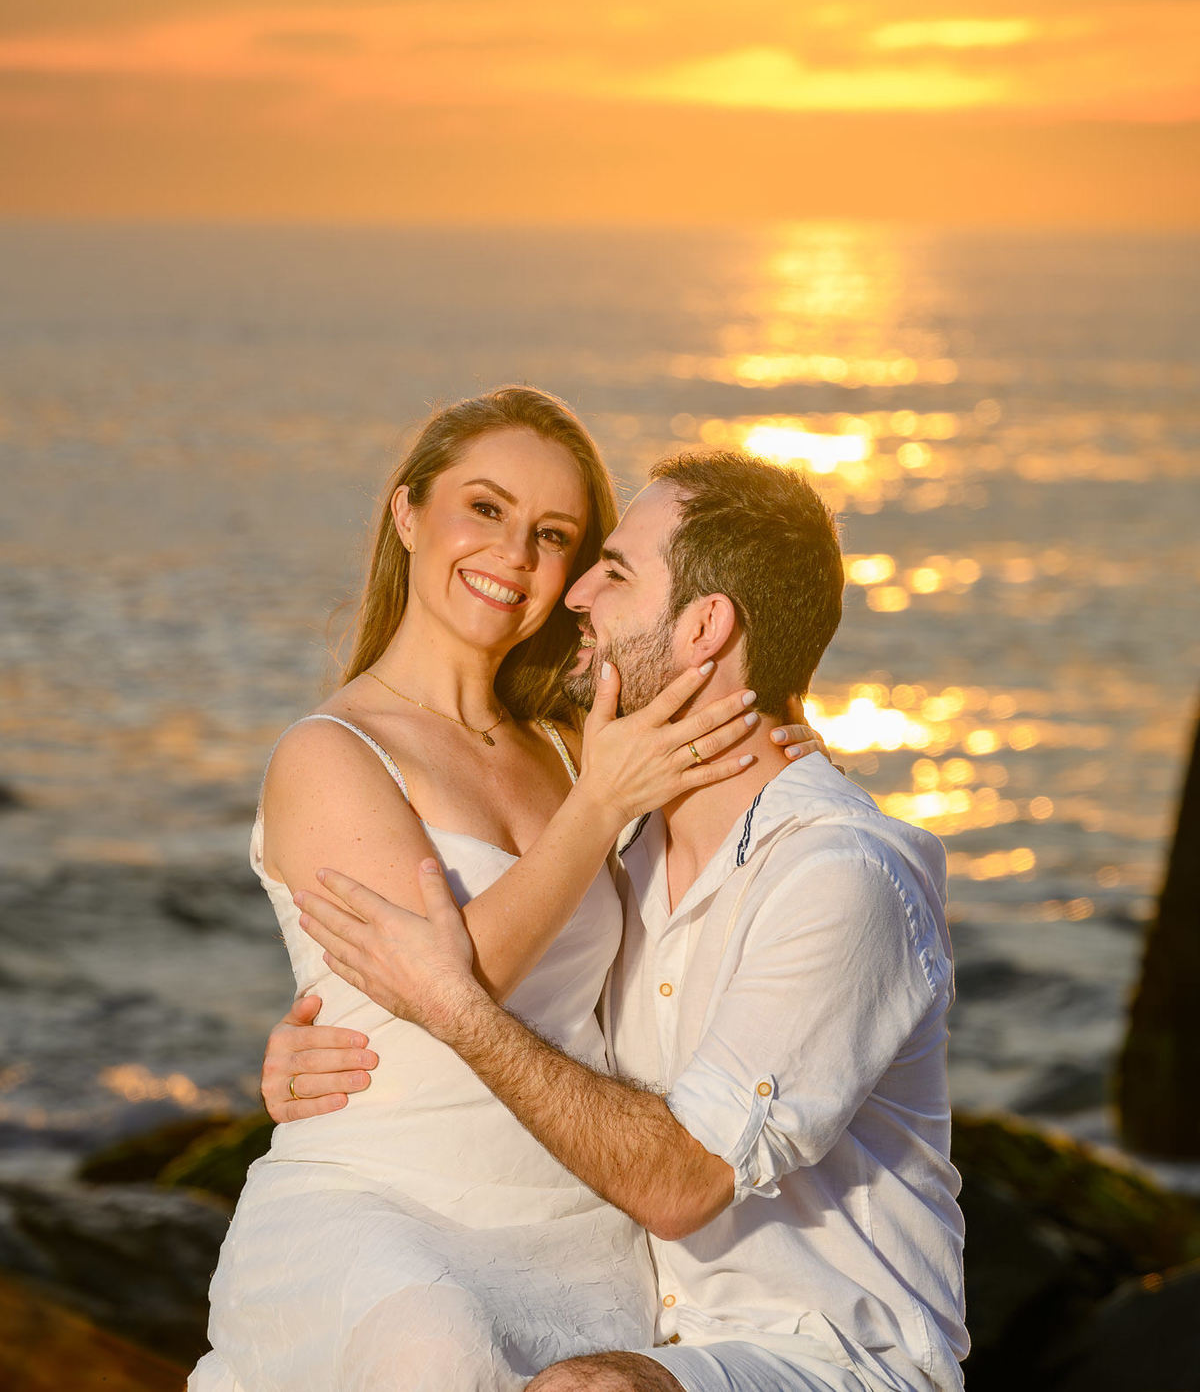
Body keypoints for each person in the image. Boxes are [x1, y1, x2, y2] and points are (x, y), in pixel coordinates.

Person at [287, 450, 969, 1392]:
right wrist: (312, 1040)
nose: (573, 595)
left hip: (834, 1359)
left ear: (704, 626)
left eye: (612, 571)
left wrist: (457, 1007)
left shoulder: (836, 875)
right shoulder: (625, 846)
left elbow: (681, 1181)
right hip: (652, 1330)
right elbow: (549, 982)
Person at [189, 389, 824, 1392]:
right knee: (436, 1359)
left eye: (554, 534)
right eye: (484, 509)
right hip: (392, 1201)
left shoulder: (576, 746)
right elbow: (442, 984)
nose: (515, 555)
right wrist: (601, 807)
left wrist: (792, 752)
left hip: (582, 1230)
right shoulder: (332, 753)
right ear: (408, 515)